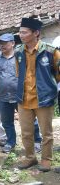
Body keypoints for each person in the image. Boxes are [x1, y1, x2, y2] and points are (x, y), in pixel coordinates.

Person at [15, 18, 60, 172]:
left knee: (46, 133)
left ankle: (46, 160)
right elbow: (18, 73)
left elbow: (58, 74)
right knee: (26, 132)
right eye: (20, 32)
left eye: (24, 32)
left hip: (44, 98)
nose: (21, 35)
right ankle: (30, 157)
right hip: (24, 99)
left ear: (36, 33)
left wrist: (49, 88)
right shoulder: (18, 52)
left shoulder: (50, 51)